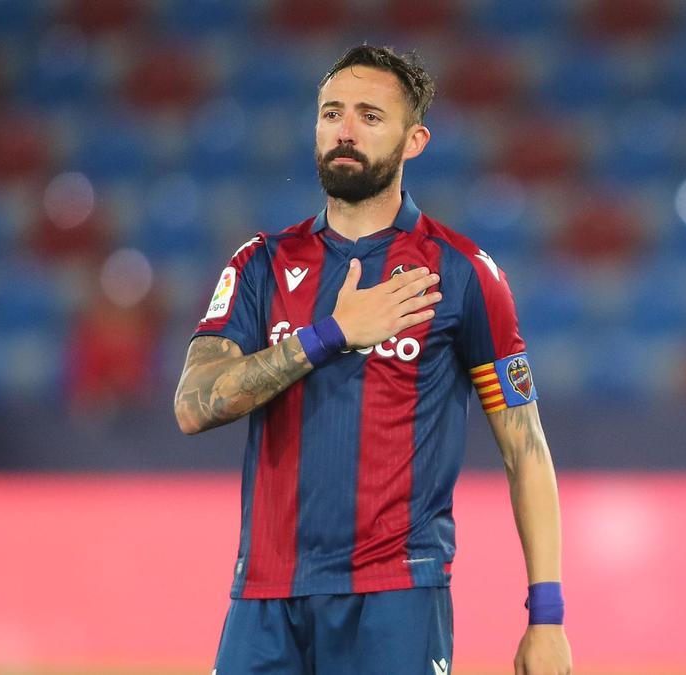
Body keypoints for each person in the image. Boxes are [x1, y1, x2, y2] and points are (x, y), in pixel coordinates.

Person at [174, 45, 572, 675]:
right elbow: (194, 406)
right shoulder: (260, 265)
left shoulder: (463, 274)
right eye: (331, 113)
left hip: (396, 598)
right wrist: (329, 334)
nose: (346, 130)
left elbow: (525, 449)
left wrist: (546, 615)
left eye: (369, 116)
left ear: (414, 140)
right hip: (265, 598)